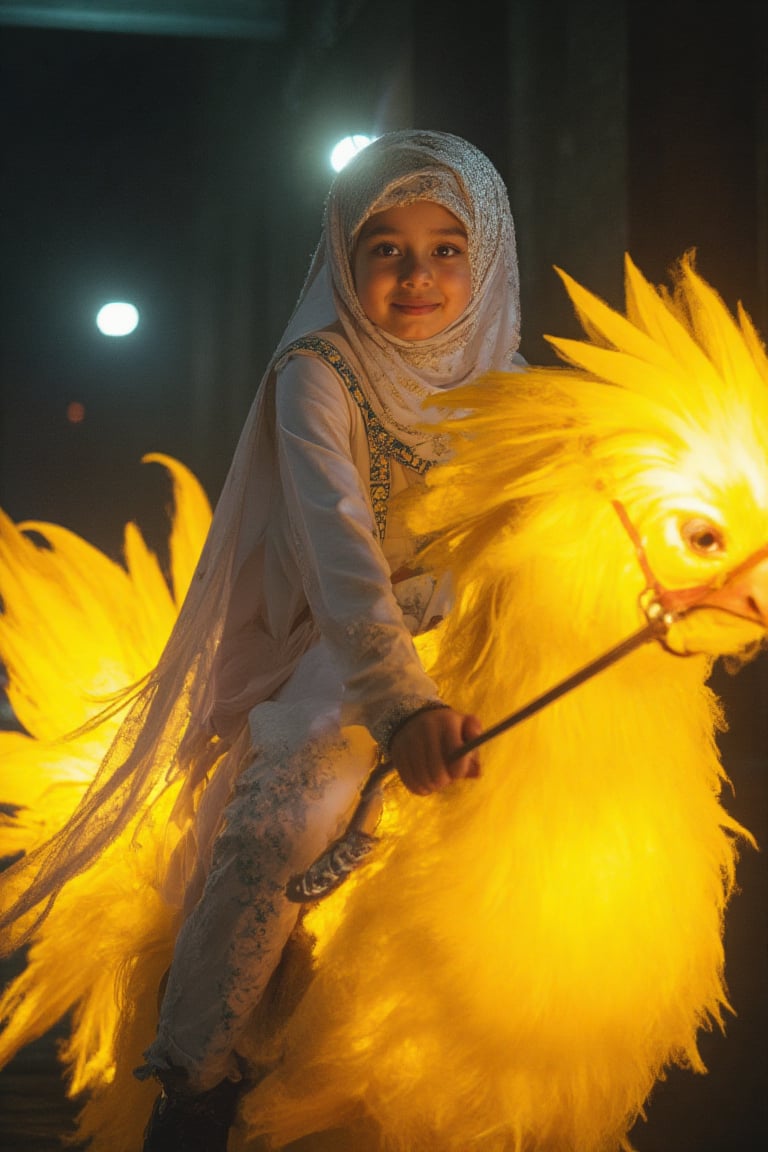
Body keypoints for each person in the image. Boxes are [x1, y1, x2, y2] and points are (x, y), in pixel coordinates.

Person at [0, 130, 523, 1152]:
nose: (417, 275)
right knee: (290, 812)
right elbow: (338, 553)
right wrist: (402, 703)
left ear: (488, 257)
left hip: (492, 634)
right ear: (342, 255)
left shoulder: (514, 381)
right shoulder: (318, 374)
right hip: (346, 649)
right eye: (386, 248)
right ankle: (195, 1071)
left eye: (447, 249)